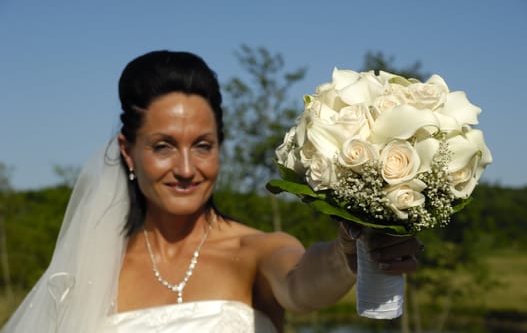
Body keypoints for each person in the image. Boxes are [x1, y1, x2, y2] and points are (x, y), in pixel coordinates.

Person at [1, 50, 423, 333]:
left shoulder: (256, 250)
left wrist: (346, 252)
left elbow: (301, 285)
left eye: (202, 145)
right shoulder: (89, 269)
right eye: (163, 146)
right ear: (128, 152)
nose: (186, 169)